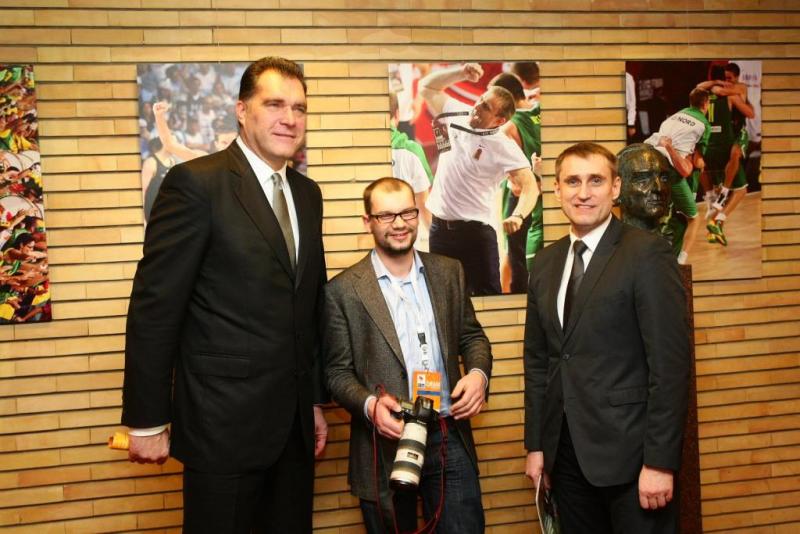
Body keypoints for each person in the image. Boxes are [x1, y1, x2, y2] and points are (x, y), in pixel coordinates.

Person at [122, 57, 329, 533]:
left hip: (294, 431)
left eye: (299, 108)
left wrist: (315, 401)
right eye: (274, 104)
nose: (290, 118)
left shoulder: (307, 194)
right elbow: (156, 307)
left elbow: (308, 306)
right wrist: (148, 420)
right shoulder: (195, 184)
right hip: (222, 428)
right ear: (241, 110)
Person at [523, 142, 690, 533]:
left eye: (596, 181)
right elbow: (539, 362)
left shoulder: (647, 253)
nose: (583, 193)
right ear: (556, 189)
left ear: (615, 188)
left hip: (634, 461)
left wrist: (660, 462)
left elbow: (669, 367)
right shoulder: (545, 263)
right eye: (572, 181)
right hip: (566, 459)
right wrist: (537, 446)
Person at [324, 177, 492, 533]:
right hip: (384, 442)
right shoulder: (342, 291)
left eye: (407, 212)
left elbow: (472, 336)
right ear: (367, 221)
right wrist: (370, 406)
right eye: (386, 215)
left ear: (418, 214)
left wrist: (478, 375)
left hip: (447, 433)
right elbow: (337, 373)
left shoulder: (449, 272)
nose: (399, 223)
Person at [419, 63, 538, 296]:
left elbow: (530, 186)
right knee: (444, 299)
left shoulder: (503, 146)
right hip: (439, 231)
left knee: (488, 299)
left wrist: (518, 215)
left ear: (499, 120)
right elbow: (426, 87)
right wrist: (460, 73)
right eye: (480, 100)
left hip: (475, 234)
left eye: (485, 107)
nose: (476, 108)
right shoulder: (458, 112)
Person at [488, 72, 543, 293]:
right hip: (546, 194)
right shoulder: (541, 109)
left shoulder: (508, 128)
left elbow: (518, 187)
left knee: (515, 258)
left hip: (522, 198)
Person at [644, 88, 711, 264]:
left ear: (690, 101)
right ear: (706, 104)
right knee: (693, 218)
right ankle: (681, 261)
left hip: (650, 161)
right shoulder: (704, 124)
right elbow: (697, 162)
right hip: (672, 170)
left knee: (662, 214)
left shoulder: (674, 116)